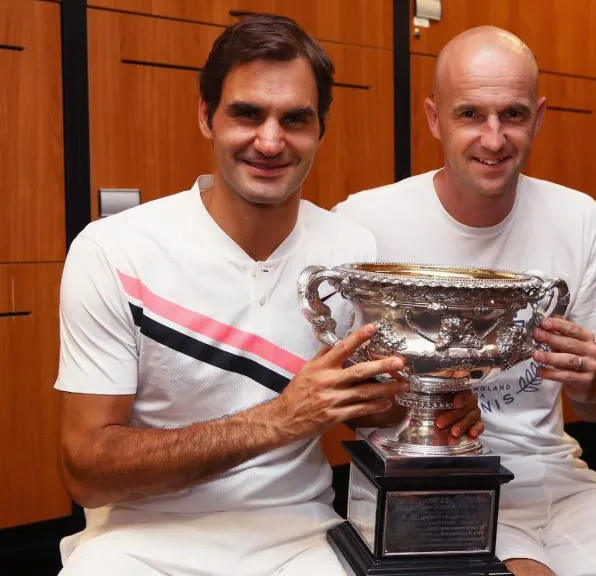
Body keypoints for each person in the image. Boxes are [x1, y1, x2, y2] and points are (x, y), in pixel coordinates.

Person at [53, 14, 481, 576]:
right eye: (247, 114)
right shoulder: (115, 250)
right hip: (138, 545)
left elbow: (371, 406)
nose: (271, 141)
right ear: (206, 116)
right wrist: (279, 420)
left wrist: (430, 407)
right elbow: (86, 470)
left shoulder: (349, 253)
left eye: (296, 119)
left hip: (301, 539)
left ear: (320, 129)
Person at [333, 26, 596, 576]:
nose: (494, 139)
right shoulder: (367, 223)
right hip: (429, 483)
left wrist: (592, 382)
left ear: (538, 117)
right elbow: (343, 404)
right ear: (433, 118)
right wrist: (427, 403)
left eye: (512, 115)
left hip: (555, 480)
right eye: (470, 115)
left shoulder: (579, 217)